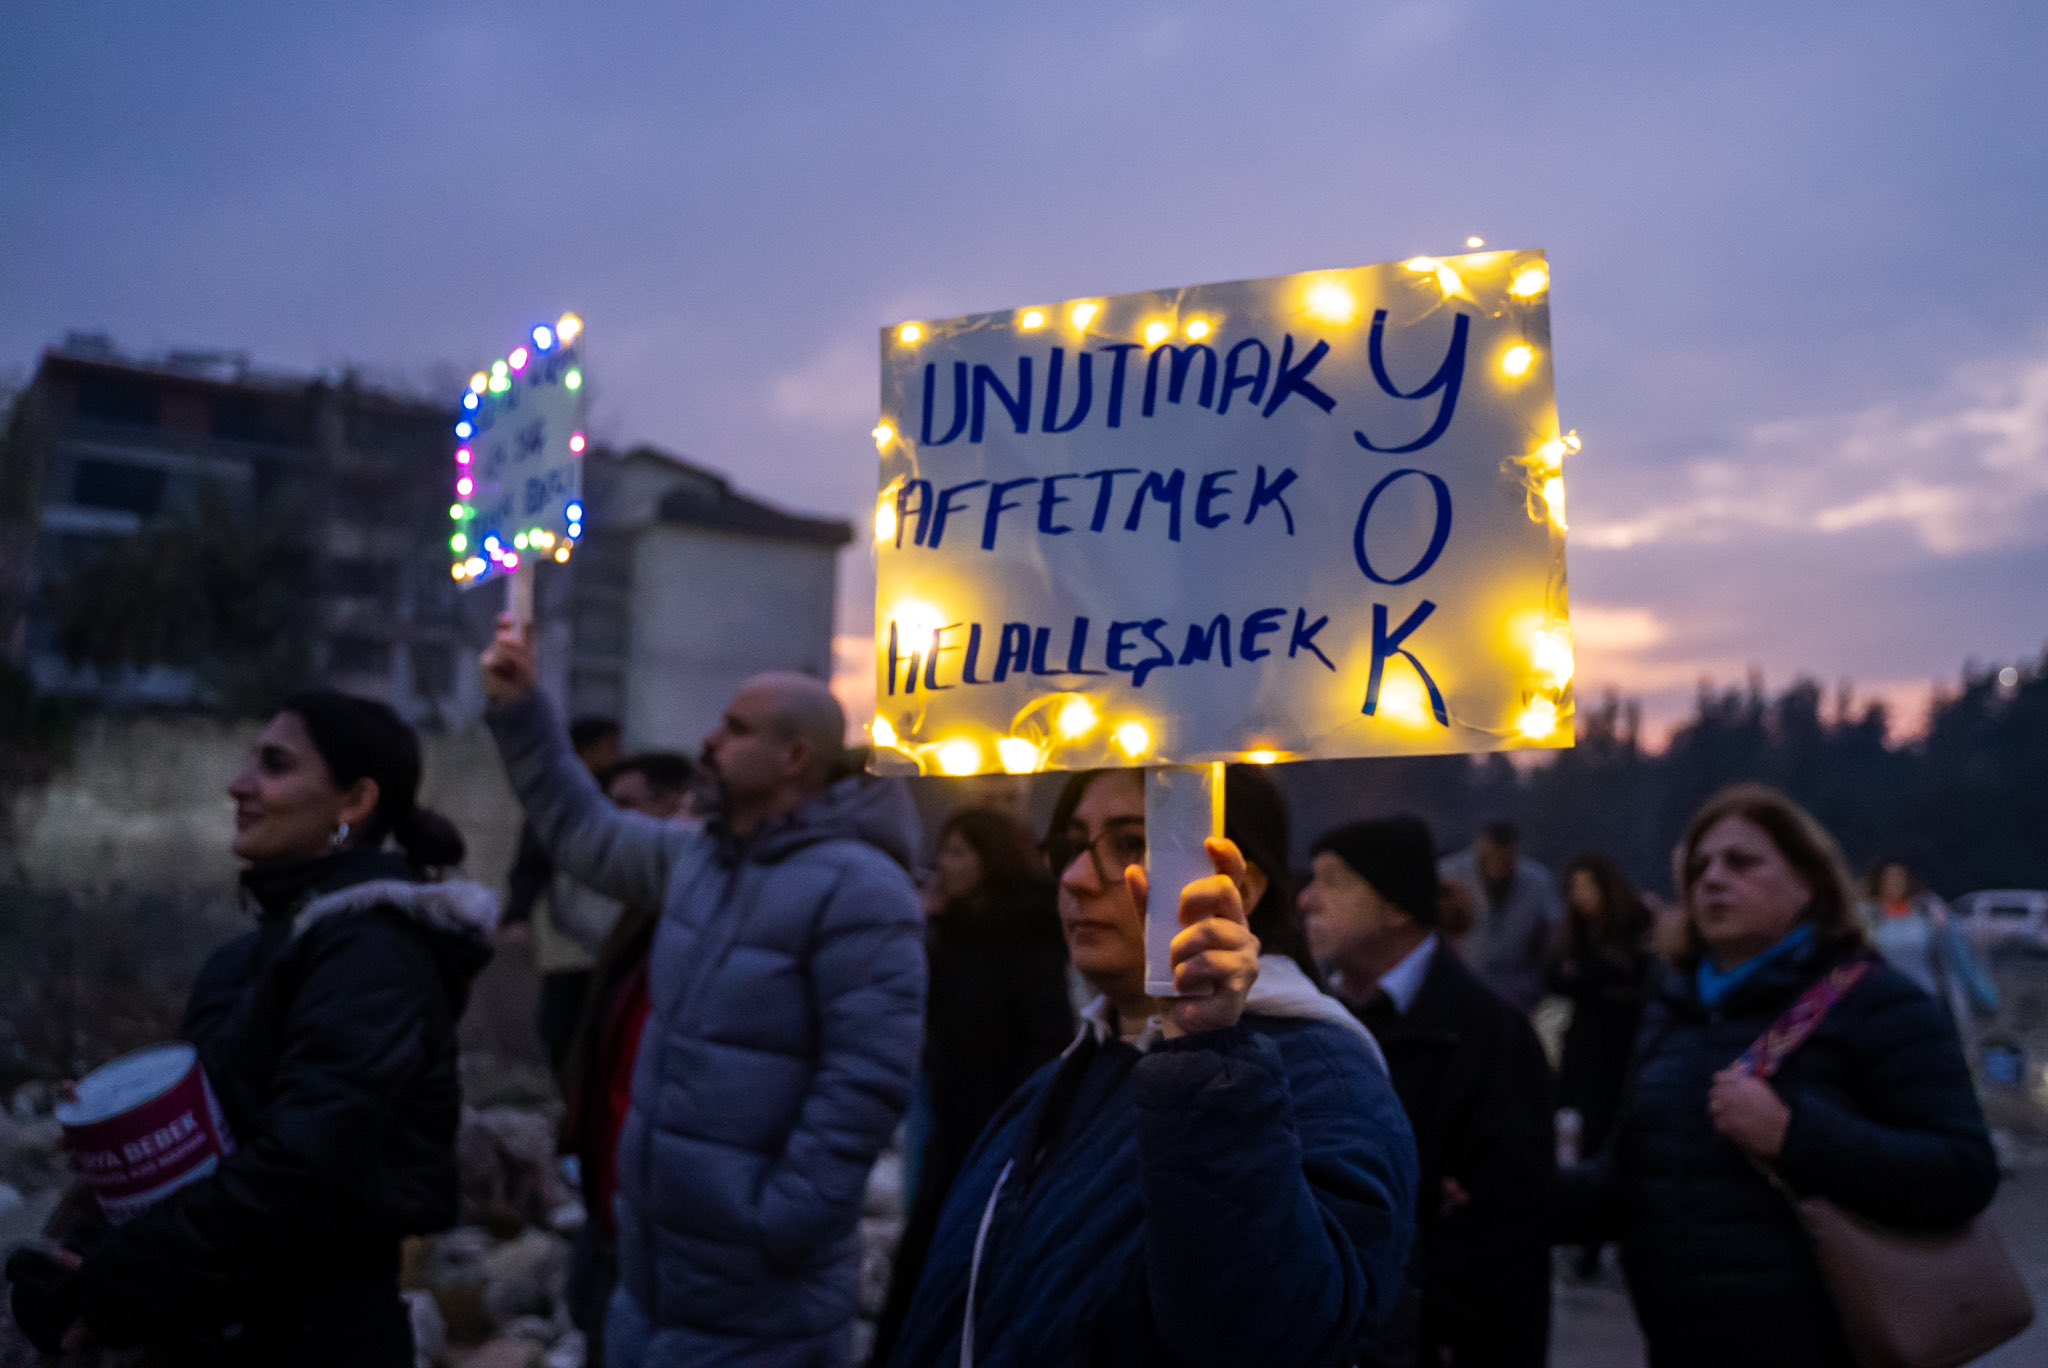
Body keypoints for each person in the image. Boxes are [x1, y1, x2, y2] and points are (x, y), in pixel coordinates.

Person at [480, 615, 925, 1366]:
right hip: (654, 1284)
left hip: (761, 1304)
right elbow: (585, 832)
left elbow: (867, 1080)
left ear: (794, 757)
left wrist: (778, 1221)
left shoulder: (863, 891)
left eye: (736, 729)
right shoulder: (701, 860)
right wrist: (523, 711)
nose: (710, 743)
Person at [6, 690, 496, 1365]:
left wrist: (117, 1286)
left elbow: (303, 1168)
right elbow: (231, 1132)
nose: (239, 786)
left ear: (355, 802)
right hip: (222, 1324)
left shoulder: (374, 956)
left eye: (275, 765)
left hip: (313, 1341)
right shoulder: (261, 951)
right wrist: (123, 1139)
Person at [885, 766, 1418, 1368]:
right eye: (1072, 845)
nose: (1076, 877)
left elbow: (1270, 1331)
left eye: (1133, 844)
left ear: (1237, 888)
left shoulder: (1327, 1079)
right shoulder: (1076, 1068)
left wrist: (1207, 1058)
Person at [1556, 785, 2000, 1367]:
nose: (1712, 880)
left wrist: (1794, 1136)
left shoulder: (1878, 1005)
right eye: (1699, 868)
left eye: (1742, 862)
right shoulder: (1674, 1013)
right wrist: (1495, 1190)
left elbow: (1964, 1171)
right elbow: (1627, 1184)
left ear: (1808, 883)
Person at [1302, 816, 1556, 1367]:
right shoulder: (1311, 1023)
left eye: (1333, 881)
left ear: (1397, 908)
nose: (1307, 900)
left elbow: (1509, 1230)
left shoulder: (1491, 1035)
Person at [869, 806, 1074, 1365]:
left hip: (996, 1128)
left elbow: (1046, 1034)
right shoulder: (952, 931)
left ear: (991, 859)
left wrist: (1024, 1125)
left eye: (959, 852)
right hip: (949, 1120)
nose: (945, 864)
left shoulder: (1027, 934)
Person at [554, 751, 699, 1359]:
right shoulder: (639, 919)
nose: (616, 826)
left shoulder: (701, 926)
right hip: (613, 1194)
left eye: (626, 806)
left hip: (661, 1210)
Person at [1545, 854, 1653, 1279]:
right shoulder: (1576, 930)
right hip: (1586, 1043)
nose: (1581, 896)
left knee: (1616, 1128)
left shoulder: (1632, 923)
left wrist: (1589, 974)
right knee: (1586, 1132)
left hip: (1621, 1044)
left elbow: (1633, 974)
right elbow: (1557, 975)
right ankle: (1590, 1242)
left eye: (1587, 886)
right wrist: (1599, 976)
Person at [504, 715, 623, 1070]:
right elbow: (531, 860)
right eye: (611, 747)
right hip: (570, 934)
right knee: (566, 1025)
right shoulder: (563, 799)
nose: (620, 755)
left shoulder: (616, 793)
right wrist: (518, 914)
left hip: (608, 933)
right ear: (587, 751)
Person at [1860, 857, 1998, 1040]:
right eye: (1889, 879)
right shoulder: (1870, 918)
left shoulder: (1927, 913)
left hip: (1924, 996)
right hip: (1885, 1000)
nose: (1894, 885)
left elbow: (1958, 951)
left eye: (1899, 879)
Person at [1438, 820, 1563, 1013]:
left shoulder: (1538, 881)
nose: (1499, 864)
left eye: (1506, 858)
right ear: (1479, 848)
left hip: (1520, 990)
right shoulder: (1448, 874)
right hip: (1460, 984)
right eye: (1492, 856)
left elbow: (1555, 928)